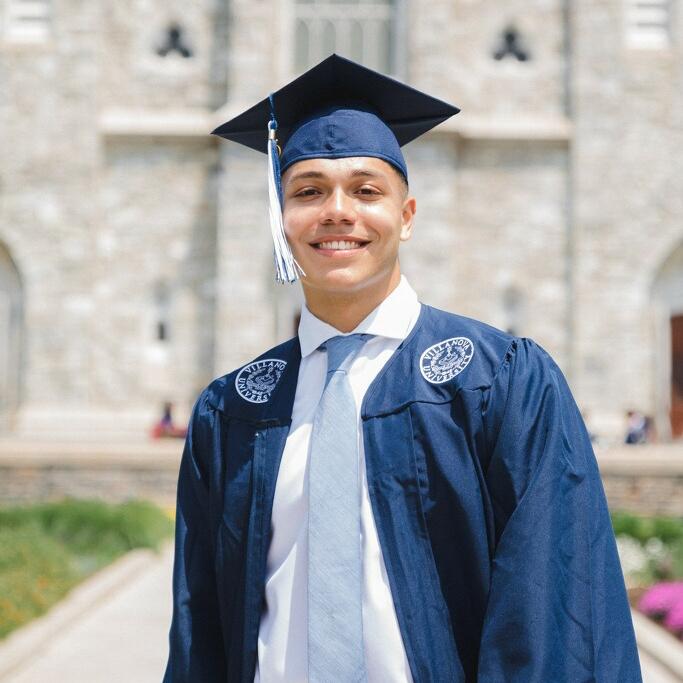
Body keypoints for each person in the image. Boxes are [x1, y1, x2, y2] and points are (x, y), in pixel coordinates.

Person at [163, 55, 642, 682]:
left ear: (407, 216)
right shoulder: (233, 410)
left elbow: (552, 612)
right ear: (281, 219)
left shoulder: (499, 383)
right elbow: (200, 633)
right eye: (307, 191)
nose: (337, 211)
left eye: (366, 191)